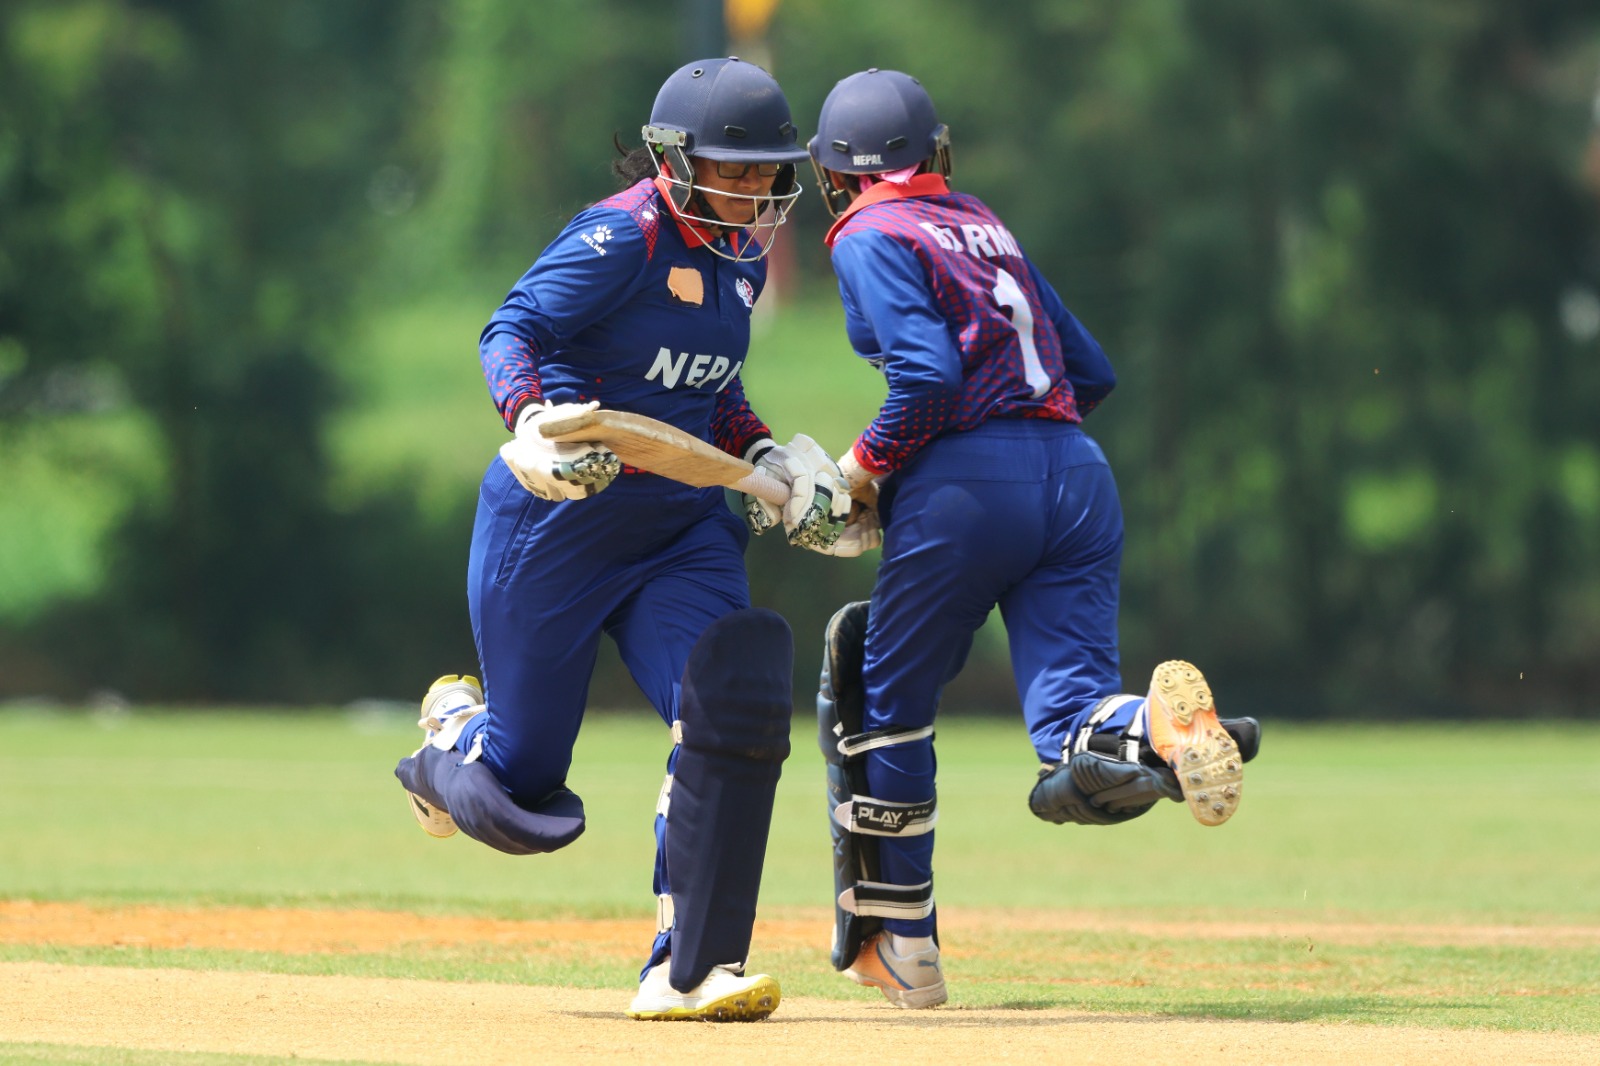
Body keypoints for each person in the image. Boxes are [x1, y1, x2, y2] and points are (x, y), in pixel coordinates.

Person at [393, 57, 858, 1023]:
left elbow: (707, 393)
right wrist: (526, 421)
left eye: (768, 170)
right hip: (557, 516)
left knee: (730, 706)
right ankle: (451, 739)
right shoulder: (622, 235)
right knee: (522, 798)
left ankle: (688, 966)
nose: (755, 190)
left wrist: (765, 453)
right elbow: (510, 326)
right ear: (675, 157)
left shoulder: (737, 260)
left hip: (680, 528)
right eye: (732, 168)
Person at [806, 69, 1262, 1009]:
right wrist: (1022, 441)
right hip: (1076, 469)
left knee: (881, 697)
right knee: (1069, 720)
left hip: (970, 485)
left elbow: (926, 381)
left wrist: (863, 472)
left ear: (838, 172)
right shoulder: (985, 221)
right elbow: (1085, 367)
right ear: (934, 151)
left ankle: (908, 947)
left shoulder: (868, 230)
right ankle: (1159, 728)